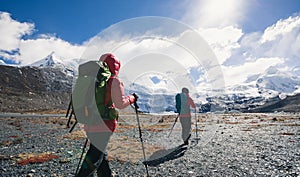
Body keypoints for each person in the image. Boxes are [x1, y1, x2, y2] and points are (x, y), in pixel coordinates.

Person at [75, 53, 137, 177]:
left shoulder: (92, 79)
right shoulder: (114, 80)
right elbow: (120, 104)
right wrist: (132, 98)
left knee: (99, 152)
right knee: (94, 157)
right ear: (116, 66)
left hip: (89, 121)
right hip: (105, 124)